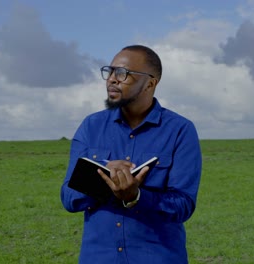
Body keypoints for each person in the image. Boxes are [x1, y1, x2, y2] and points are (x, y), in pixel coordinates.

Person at [60, 44, 202, 264]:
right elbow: (68, 198)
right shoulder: (91, 126)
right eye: (110, 71)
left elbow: (183, 205)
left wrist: (136, 197)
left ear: (151, 83)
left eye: (123, 73)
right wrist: (103, 180)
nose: (112, 79)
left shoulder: (180, 130)